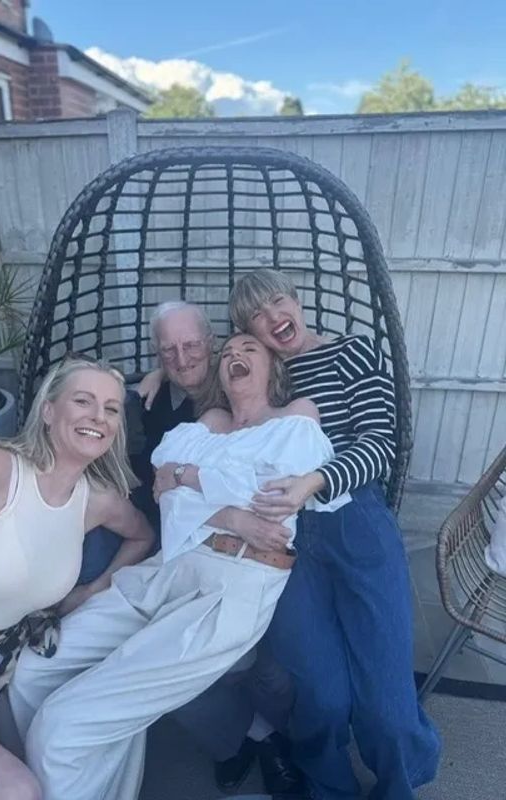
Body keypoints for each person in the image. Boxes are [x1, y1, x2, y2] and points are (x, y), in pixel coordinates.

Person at [8, 332, 351, 800]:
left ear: (273, 367)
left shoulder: (296, 416)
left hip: (236, 583)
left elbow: (270, 496)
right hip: (170, 564)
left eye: (249, 350)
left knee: (62, 726)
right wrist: (227, 512)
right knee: (31, 671)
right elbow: (164, 493)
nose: (235, 355)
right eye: (228, 352)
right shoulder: (210, 419)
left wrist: (189, 479)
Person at [227, 269, 441, 800]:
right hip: (287, 538)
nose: (274, 316)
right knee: (321, 696)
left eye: (278, 300)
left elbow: (379, 445)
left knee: (387, 708)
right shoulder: (267, 373)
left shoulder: (354, 352)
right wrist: (159, 380)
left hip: (357, 524)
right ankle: (328, 787)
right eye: (257, 313)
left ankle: (400, 781)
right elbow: (209, 391)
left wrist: (315, 481)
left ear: (296, 301)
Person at [0, 355, 153, 800]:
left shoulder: (97, 501)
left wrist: (92, 590)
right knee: (17, 791)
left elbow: (142, 536)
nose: (98, 416)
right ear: (48, 410)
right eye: (84, 400)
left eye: (111, 408)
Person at [84, 300, 304, 795]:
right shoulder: (161, 398)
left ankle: (282, 740)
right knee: (171, 660)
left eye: (192, 347)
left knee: (261, 667)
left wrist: (192, 488)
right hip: (174, 541)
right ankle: (248, 738)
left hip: (240, 552)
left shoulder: (239, 400)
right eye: (168, 351)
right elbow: (160, 481)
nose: (182, 358)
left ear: (213, 342)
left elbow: (250, 490)